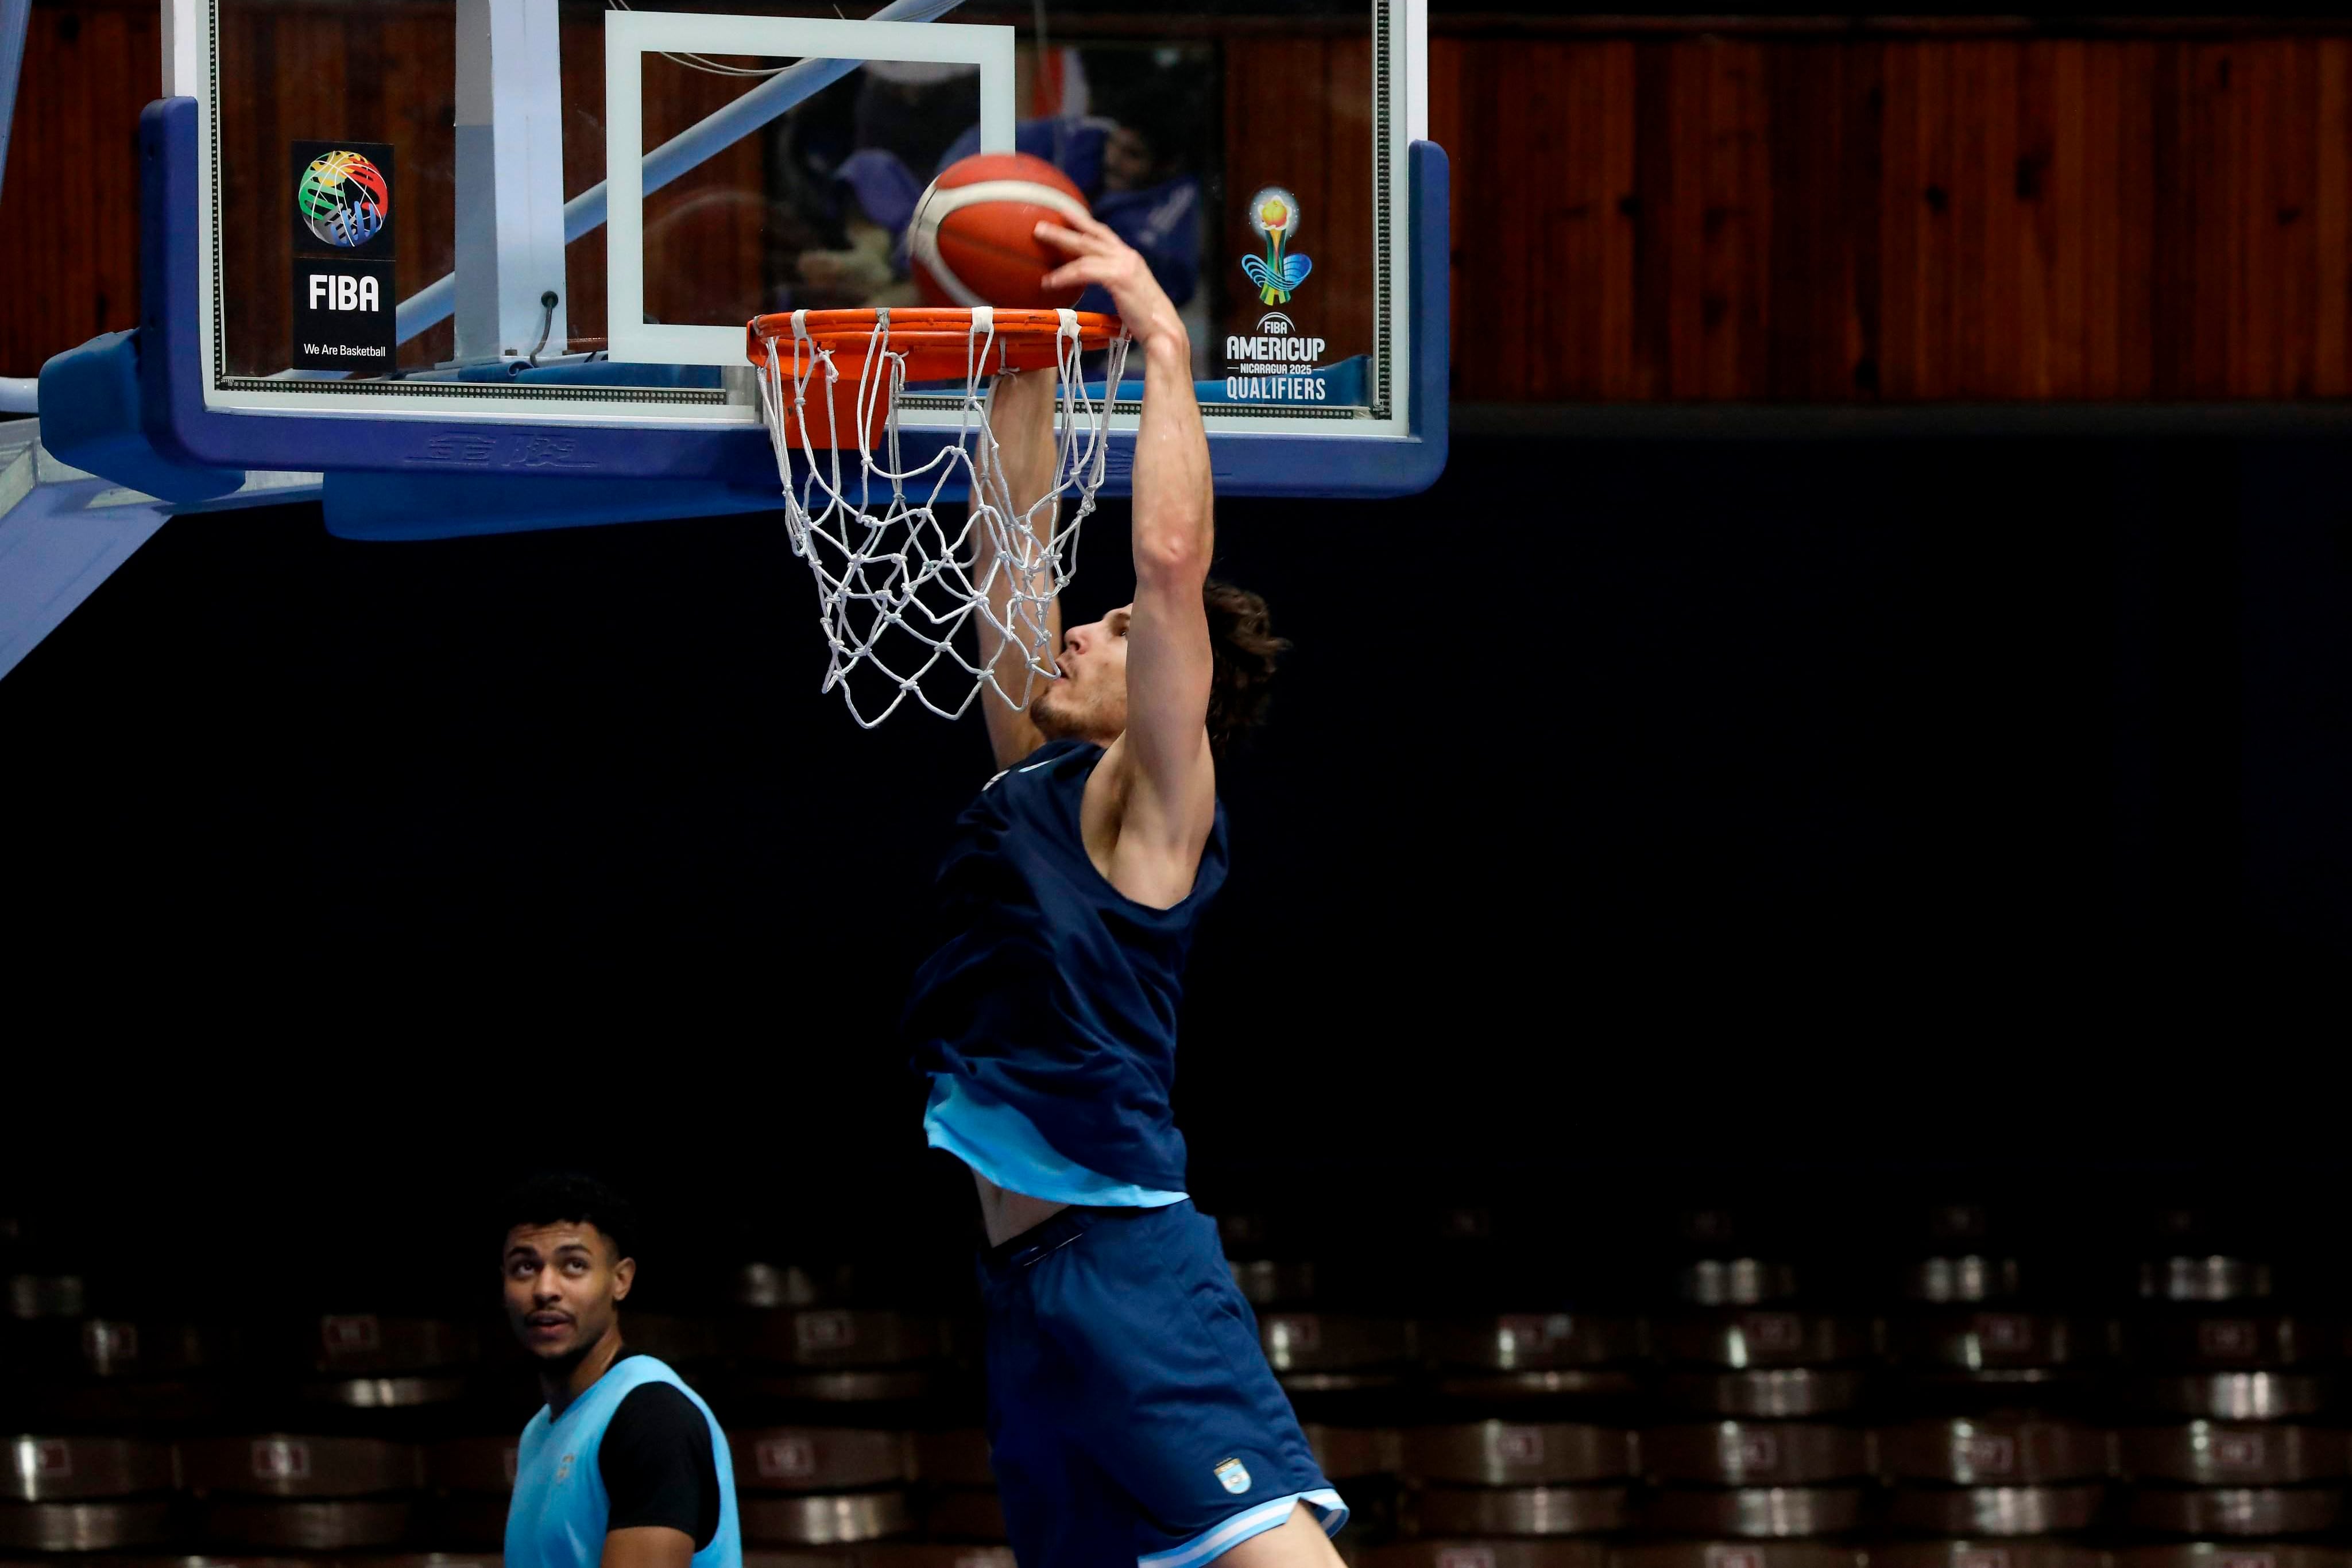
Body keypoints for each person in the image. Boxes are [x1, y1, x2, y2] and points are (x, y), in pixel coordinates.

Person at [902, 212, 1337, 1568]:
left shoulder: (1155, 803)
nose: (1080, 630)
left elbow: (1167, 566)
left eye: (1115, 634)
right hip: (1024, 1289)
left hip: (1128, 1269)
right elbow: (1010, 549)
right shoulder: (1033, 776)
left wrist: (1157, 336)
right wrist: (1025, 351)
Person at [499, 1174, 741, 1568]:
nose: (545, 1289)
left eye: (574, 1265)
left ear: (621, 1280)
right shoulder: (537, 1432)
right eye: (525, 1267)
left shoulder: (653, 1417)